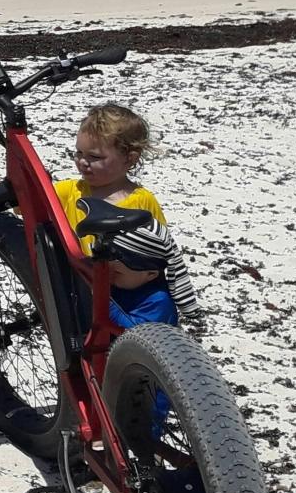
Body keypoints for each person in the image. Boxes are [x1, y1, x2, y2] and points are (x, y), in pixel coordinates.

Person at [58, 102, 197, 329]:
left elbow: (159, 249)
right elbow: (25, 203)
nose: (83, 162)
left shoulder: (142, 201)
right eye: (79, 153)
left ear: (130, 159)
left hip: (135, 289)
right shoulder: (70, 191)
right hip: (88, 286)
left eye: (95, 156)